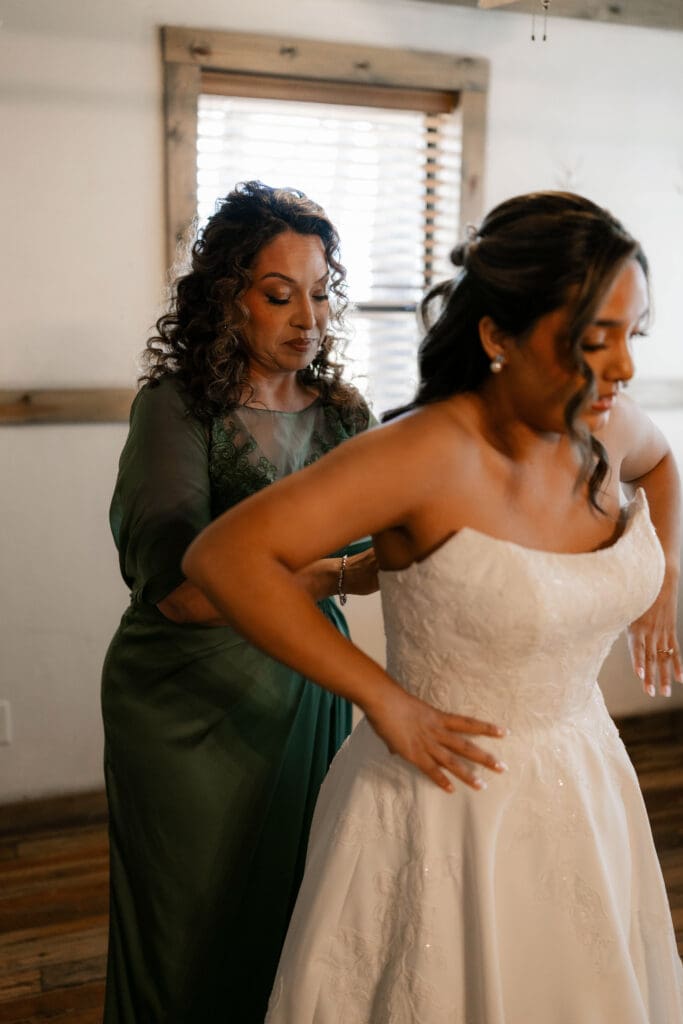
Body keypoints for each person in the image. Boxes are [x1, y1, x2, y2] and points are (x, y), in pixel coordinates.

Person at [183, 191, 683, 1022]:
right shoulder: (422, 454)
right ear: (497, 336)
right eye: (594, 341)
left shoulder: (603, 426)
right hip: (445, 799)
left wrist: (665, 583)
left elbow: (663, 464)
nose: (623, 368)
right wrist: (379, 696)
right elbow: (226, 557)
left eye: (632, 337)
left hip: (584, 774)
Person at [101, 180, 445, 1024]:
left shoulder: (344, 417)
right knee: (188, 920)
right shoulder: (177, 409)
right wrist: (330, 575)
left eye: (322, 294)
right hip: (186, 700)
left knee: (302, 905)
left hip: (303, 684)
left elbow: (398, 538)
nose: (309, 319)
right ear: (227, 300)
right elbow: (181, 593)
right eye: (278, 295)